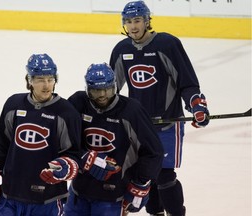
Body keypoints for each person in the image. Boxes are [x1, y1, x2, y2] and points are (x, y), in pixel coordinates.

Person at [109, 1, 210, 216]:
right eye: (128, 22)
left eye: (137, 20)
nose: (133, 26)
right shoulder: (122, 50)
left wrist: (196, 104)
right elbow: (110, 91)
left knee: (164, 175)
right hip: (138, 126)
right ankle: (156, 213)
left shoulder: (167, 44)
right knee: (147, 174)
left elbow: (187, 82)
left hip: (167, 124)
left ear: (147, 21)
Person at [0, 53, 82, 216]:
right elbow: (2, 145)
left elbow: (75, 155)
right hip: (9, 197)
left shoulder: (66, 113)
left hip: (47, 200)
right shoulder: (13, 104)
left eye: (50, 79)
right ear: (29, 80)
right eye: (40, 79)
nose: (46, 85)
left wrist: (65, 167)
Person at [63, 63, 164, 216]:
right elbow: (61, 137)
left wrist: (141, 182)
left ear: (115, 87)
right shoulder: (78, 103)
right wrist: (84, 156)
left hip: (114, 195)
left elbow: (154, 151)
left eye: (107, 89)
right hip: (79, 191)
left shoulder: (131, 111)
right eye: (96, 91)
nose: (102, 95)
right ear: (88, 89)